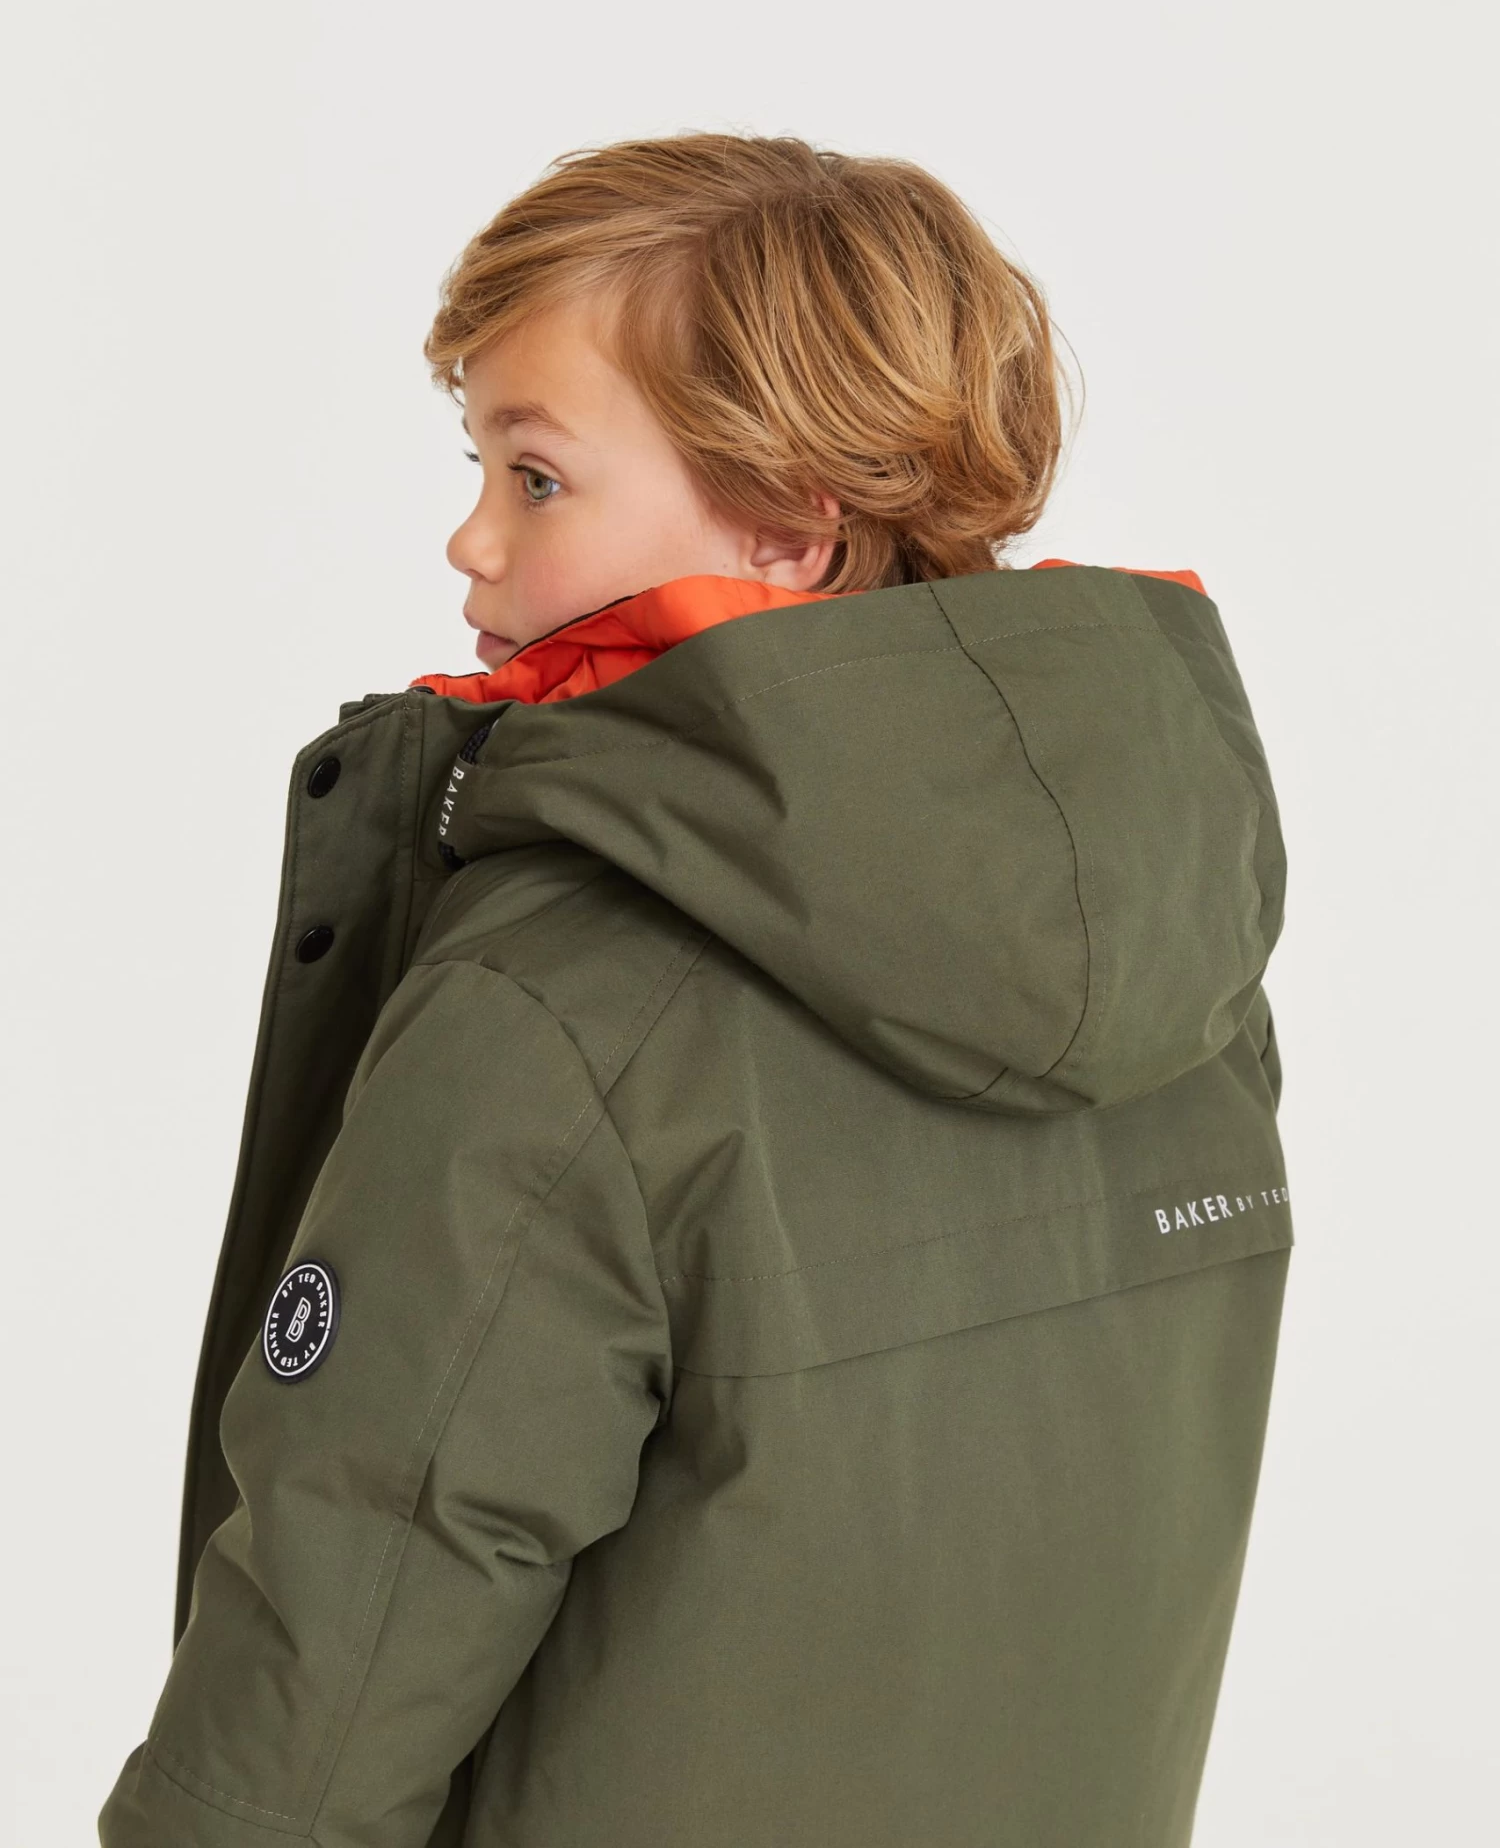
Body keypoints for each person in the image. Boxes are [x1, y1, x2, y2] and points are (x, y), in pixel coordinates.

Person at [98, 135, 1291, 1848]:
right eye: (475, 463)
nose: (470, 537)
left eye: (537, 477)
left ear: (792, 524)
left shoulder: (559, 1006)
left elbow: (336, 1642)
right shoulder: (1189, 974)